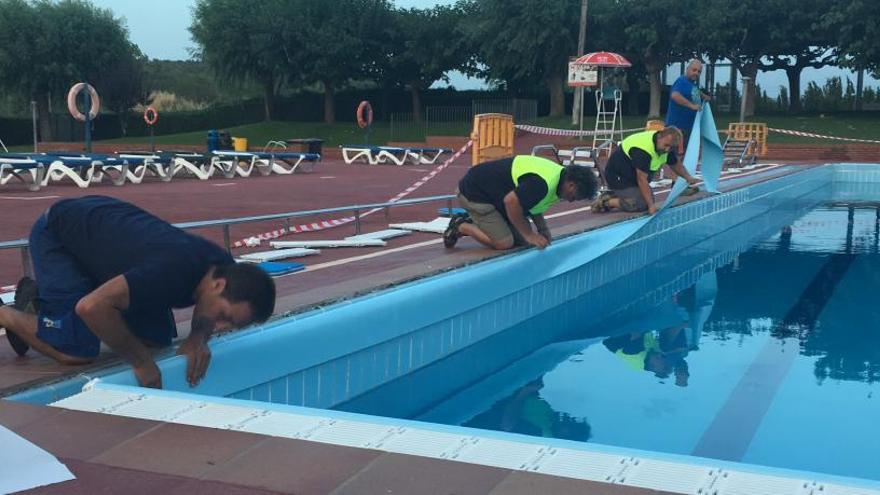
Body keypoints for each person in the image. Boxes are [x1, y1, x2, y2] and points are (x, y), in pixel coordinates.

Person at [0, 196, 276, 389]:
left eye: (231, 324)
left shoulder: (224, 269)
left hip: (109, 245)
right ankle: (9, 314)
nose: (221, 327)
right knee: (77, 350)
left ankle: (46, 309)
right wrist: (141, 363)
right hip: (61, 234)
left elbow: (205, 311)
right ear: (218, 285)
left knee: (156, 339)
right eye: (224, 316)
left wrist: (198, 337)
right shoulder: (170, 272)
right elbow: (91, 308)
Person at [443, 155, 599, 250]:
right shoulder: (542, 183)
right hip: (476, 193)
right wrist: (530, 234)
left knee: (524, 242)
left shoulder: (559, 180)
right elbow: (511, 202)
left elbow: (535, 204)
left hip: (497, 196)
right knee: (504, 243)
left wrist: (542, 229)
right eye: (576, 196)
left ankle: (482, 223)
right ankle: (461, 225)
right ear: (572, 185)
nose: (572, 201)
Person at [591, 127, 699, 215]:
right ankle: (606, 202)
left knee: (646, 200)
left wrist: (688, 178)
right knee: (642, 205)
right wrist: (651, 206)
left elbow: (675, 164)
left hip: (631, 175)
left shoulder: (666, 143)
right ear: (659, 137)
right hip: (617, 177)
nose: (667, 150)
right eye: (666, 146)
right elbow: (641, 179)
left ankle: (624, 196)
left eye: (671, 148)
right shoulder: (643, 151)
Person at [665, 59, 712, 149]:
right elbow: (675, 95)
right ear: (687, 69)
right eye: (694, 70)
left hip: (689, 128)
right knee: (675, 157)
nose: (696, 73)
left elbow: (695, 92)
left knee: (688, 155)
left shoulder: (692, 84)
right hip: (677, 128)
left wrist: (704, 96)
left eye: (699, 72)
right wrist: (691, 106)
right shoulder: (681, 81)